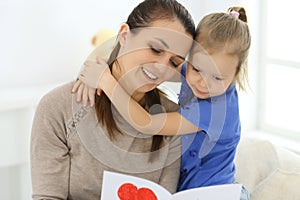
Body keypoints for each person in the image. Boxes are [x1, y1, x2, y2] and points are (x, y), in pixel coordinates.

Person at [75, 6, 251, 199]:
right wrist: (94, 71)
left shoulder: (216, 110)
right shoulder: (200, 70)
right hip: (189, 189)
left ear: (235, 76)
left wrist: (106, 82)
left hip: (217, 194)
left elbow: (147, 123)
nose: (203, 83)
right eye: (197, 69)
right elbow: (151, 66)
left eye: (217, 78)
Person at [30, 0, 195, 199]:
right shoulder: (58, 107)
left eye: (174, 62)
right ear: (124, 35)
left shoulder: (170, 119)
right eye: (155, 49)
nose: (162, 67)